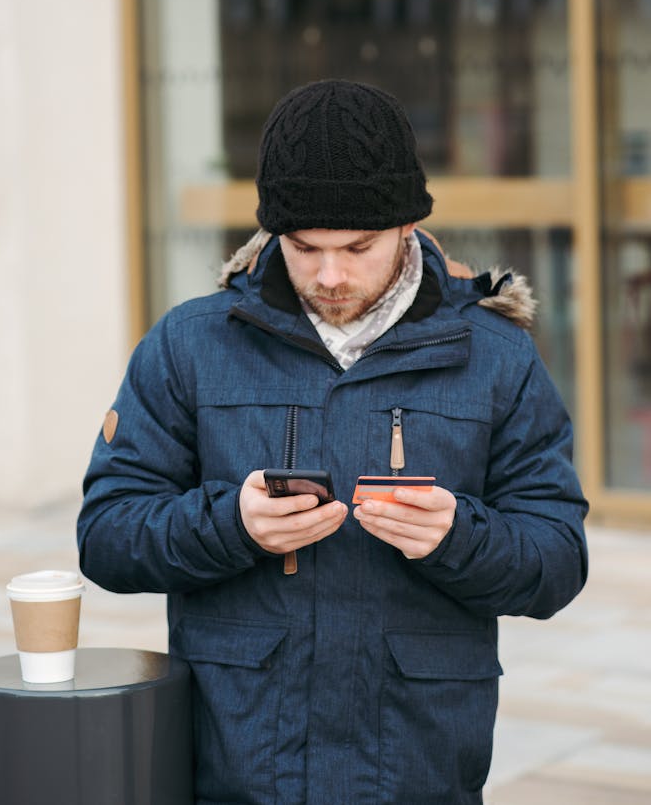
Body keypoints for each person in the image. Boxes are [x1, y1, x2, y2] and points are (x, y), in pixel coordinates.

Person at [77, 79, 588, 805]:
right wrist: (230, 523)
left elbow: (558, 559)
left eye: (358, 246)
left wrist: (458, 536)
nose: (330, 274)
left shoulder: (497, 357)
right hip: (236, 772)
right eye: (304, 246)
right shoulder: (190, 344)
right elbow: (106, 535)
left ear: (409, 225)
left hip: (418, 773)